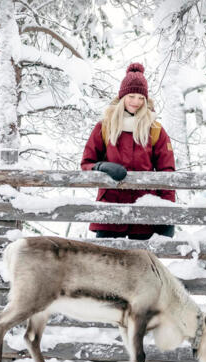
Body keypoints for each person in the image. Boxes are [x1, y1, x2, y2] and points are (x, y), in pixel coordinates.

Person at [81, 62, 176, 240]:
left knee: (140, 265)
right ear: (123, 96)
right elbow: (86, 163)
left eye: (141, 98)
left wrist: (167, 212)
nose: (136, 102)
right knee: (107, 264)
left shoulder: (155, 129)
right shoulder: (105, 126)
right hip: (110, 210)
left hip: (145, 213)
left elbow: (167, 172)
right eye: (131, 96)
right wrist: (101, 167)